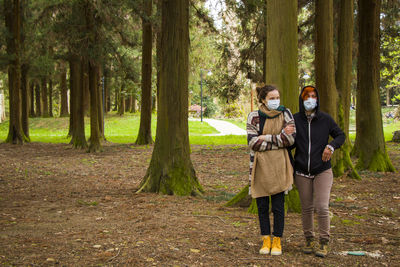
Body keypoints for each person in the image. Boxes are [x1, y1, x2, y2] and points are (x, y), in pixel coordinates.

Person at [292, 85, 345, 258]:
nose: (310, 99)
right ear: (302, 99)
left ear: (317, 99)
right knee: (306, 207)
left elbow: (340, 135)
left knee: (322, 206)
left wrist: (331, 146)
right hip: (301, 171)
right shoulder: (294, 119)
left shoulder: (325, 119)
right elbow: (288, 144)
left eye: (313, 96)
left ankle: (324, 241)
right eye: (307, 96)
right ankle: (309, 239)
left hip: (322, 170)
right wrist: (292, 163)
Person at [247, 84, 296, 256]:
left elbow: (290, 140)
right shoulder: (254, 116)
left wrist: (266, 137)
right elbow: (253, 143)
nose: (276, 101)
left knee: (278, 206)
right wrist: (279, 138)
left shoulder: (285, 113)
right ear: (263, 100)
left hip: (280, 165)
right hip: (260, 167)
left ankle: (277, 240)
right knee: (262, 205)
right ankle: (265, 238)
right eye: (271, 98)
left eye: (277, 98)